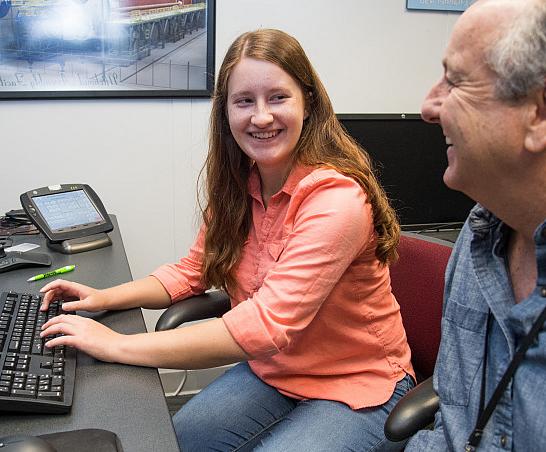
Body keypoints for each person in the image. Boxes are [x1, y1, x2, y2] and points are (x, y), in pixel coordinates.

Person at [40, 29, 415, 451]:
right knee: (172, 441)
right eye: (244, 101)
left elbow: (264, 326)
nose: (260, 117)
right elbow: (192, 270)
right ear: (226, 113)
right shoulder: (240, 188)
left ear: (307, 103)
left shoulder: (336, 200)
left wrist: (119, 345)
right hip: (275, 372)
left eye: (277, 97)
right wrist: (104, 297)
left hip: (357, 386)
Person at [405, 0, 546, 450]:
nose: (429, 106)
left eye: (456, 80)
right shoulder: (479, 233)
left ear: (538, 112)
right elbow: (451, 423)